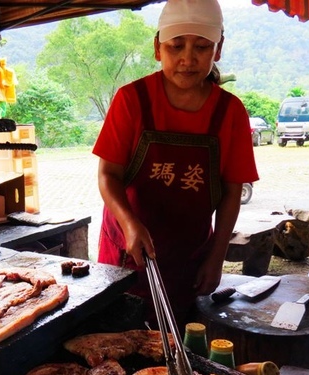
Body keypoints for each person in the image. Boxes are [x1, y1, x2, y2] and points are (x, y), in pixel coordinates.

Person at [94, 0, 259, 326]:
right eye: (176, 46)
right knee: (117, 335)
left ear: (219, 48)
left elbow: (231, 191)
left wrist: (217, 256)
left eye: (201, 47)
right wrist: (129, 223)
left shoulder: (230, 113)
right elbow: (107, 175)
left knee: (177, 341)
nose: (187, 58)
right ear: (158, 48)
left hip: (189, 258)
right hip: (125, 255)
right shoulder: (132, 100)